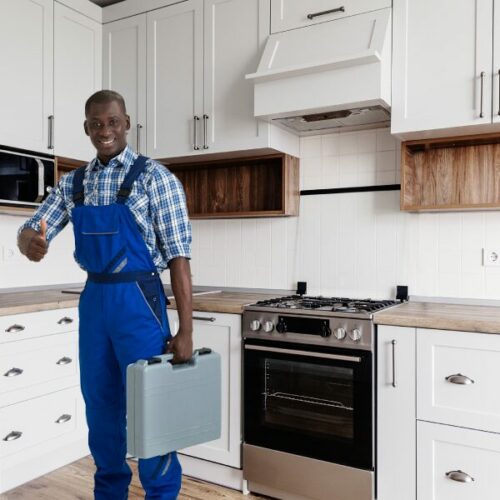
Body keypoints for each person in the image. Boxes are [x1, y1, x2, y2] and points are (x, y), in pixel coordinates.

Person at [17, 90, 193, 500]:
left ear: (127, 123)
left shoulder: (156, 178)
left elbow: (179, 257)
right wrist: (29, 241)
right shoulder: (72, 183)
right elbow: (35, 227)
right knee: (100, 407)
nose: (105, 131)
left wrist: (185, 329)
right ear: (86, 128)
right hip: (95, 302)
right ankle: (109, 493)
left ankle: (162, 494)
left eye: (112, 122)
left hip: (139, 301)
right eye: (96, 124)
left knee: (152, 409)